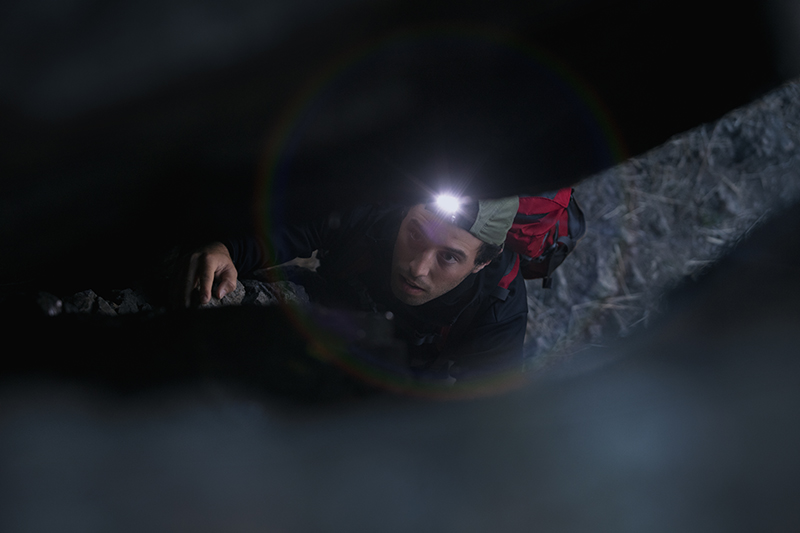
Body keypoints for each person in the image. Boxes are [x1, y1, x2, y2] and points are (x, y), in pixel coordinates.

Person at [174, 195, 528, 383]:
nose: (417, 268)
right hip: (326, 303)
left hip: (402, 378)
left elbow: (486, 412)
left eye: (448, 257)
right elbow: (289, 231)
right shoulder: (375, 211)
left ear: (482, 262)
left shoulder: (498, 303)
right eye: (415, 234)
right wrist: (227, 249)